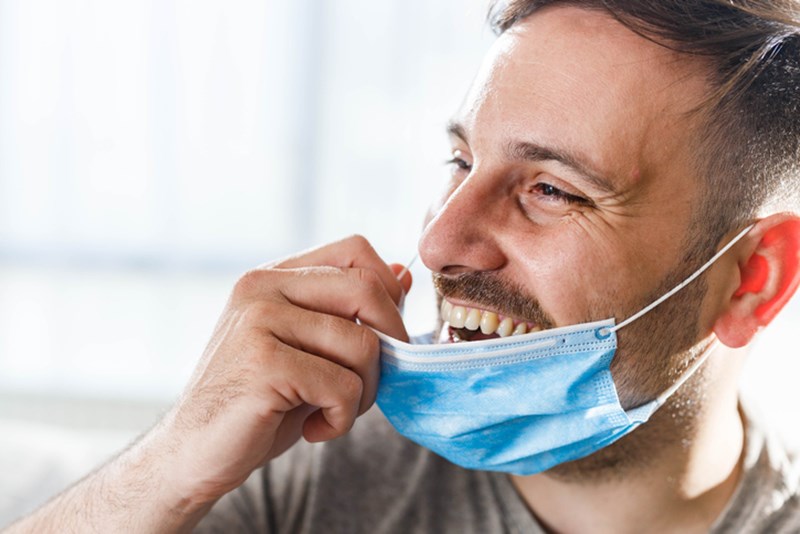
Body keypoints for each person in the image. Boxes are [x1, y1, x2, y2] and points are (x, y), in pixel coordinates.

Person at [6, 1, 800, 532]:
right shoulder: (314, 467)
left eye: (551, 189)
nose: (440, 244)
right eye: (460, 161)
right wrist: (170, 464)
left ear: (753, 278)